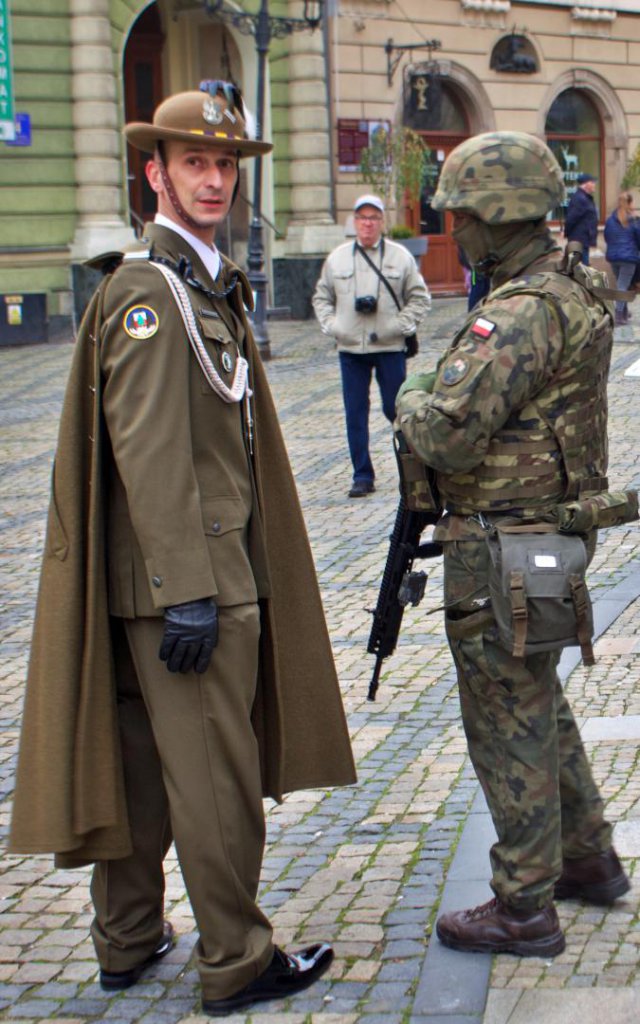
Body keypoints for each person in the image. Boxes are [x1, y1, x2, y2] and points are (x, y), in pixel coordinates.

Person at [9, 82, 356, 1016]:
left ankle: (128, 941)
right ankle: (237, 957)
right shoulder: (155, 294)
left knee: (139, 774)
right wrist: (192, 591)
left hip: (157, 582)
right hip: (191, 585)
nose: (211, 180)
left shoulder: (190, 281)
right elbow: (153, 451)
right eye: (192, 163)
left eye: (223, 165)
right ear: (153, 172)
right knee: (215, 782)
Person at [395, 131, 630, 958]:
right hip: (544, 540)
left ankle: (524, 904)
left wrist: (415, 387)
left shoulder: (521, 310)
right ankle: (590, 859)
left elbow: (447, 438)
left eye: (461, 216)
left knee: (506, 721)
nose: (453, 231)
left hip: (501, 546)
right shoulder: (573, 287)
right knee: (539, 703)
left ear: (495, 218)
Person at [312, 194, 431, 498]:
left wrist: (401, 325)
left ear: (381, 222)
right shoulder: (337, 258)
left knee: (397, 409)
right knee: (355, 413)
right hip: (351, 348)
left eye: (373, 218)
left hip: (389, 347)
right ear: (354, 222)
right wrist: (333, 325)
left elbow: (420, 298)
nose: (367, 223)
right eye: (362, 218)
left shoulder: (400, 257)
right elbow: (321, 297)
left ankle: (412, 471)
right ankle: (362, 475)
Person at [604, 191, 640, 325]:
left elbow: (607, 237)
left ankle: (623, 312)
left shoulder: (610, 219)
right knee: (622, 285)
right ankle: (618, 314)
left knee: (622, 284)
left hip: (613, 256)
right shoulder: (635, 220)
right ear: (630, 203)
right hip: (629, 257)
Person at [564, 171, 598, 265]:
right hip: (579, 242)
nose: (594, 185)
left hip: (583, 240)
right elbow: (571, 218)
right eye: (592, 182)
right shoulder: (580, 199)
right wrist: (566, 232)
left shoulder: (585, 198)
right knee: (581, 270)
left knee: (582, 270)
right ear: (586, 184)